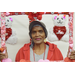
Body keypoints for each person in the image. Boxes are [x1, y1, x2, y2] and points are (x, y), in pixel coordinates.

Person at [0, 21, 75, 62]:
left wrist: (70, 60)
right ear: (31, 35)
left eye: (40, 31)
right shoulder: (22, 51)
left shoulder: (55, 50)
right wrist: (5, 60)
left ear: (45, 34)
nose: (37, 34)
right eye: (34, 32)